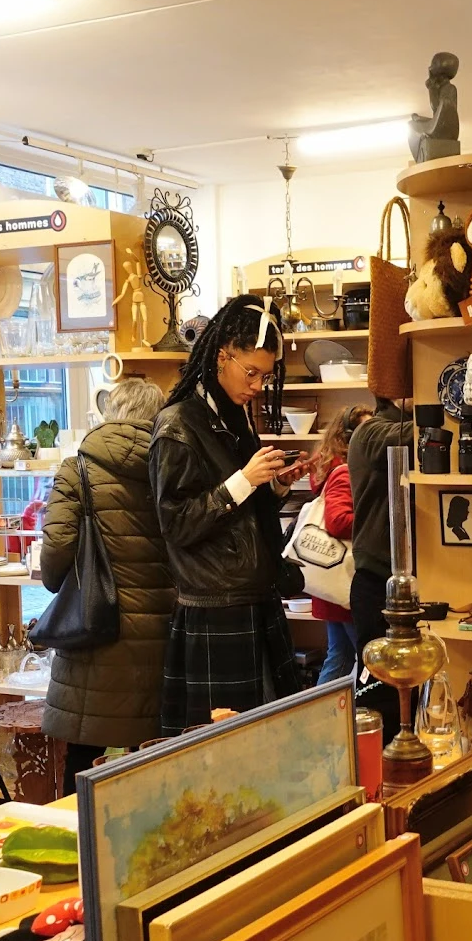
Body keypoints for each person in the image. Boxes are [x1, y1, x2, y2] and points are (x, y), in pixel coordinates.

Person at [149, 295, 313, 735]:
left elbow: (235, 516)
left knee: (270, 744)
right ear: (222, 356)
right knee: (220, 756)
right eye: (252, 372)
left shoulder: (230, 416)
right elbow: (176, 524)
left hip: (253, 600)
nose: (259, 385)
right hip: (213, 609)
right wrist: (242, 481)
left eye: (266, 374)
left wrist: (274, 485)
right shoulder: (178, 425)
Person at [40, 376, 174, 789]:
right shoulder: (170, 465)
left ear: (111, 413)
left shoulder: (77, 469)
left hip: (96, 625)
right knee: (155, 754)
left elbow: (57, 553)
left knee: (85, 748)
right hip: (161, 627)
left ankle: (79, 838)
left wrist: (56, 579)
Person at [347, 398, 415, 742]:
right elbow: (411, 433)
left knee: (406, 695)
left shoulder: (376, 429)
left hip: (402, 581)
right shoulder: (371, 430)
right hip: (378, 582)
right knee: (382, 696)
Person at [309, 404, 372, 684]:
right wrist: (375, 518)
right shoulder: (345, 471)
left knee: (341, 655)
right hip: (344, 583)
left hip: (331, 580)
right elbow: (338, 521)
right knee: (360, 659)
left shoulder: (334, 466)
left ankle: (318, 720)